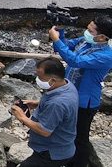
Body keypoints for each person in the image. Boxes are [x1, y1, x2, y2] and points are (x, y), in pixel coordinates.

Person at [48, 17, 112, 167]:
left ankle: (79, 163)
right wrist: (60, 32)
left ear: (102, 37)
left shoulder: (106, 56)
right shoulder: (87, 40)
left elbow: (75, 60)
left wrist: (56, 40)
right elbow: (66, 47)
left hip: (85, 102)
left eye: (91, 31)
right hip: (71, 94)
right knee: (66, 132)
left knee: (79, 137)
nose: (87, 32)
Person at [12, 58, 79, 167]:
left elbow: (44, 131)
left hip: (51, 153)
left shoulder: (57, 104)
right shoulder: (67, 85)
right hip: (64, 147)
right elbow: (61, 108)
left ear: (52, 80)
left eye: (40, 77)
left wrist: (22, 117)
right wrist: (37, 103)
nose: (37, 79)